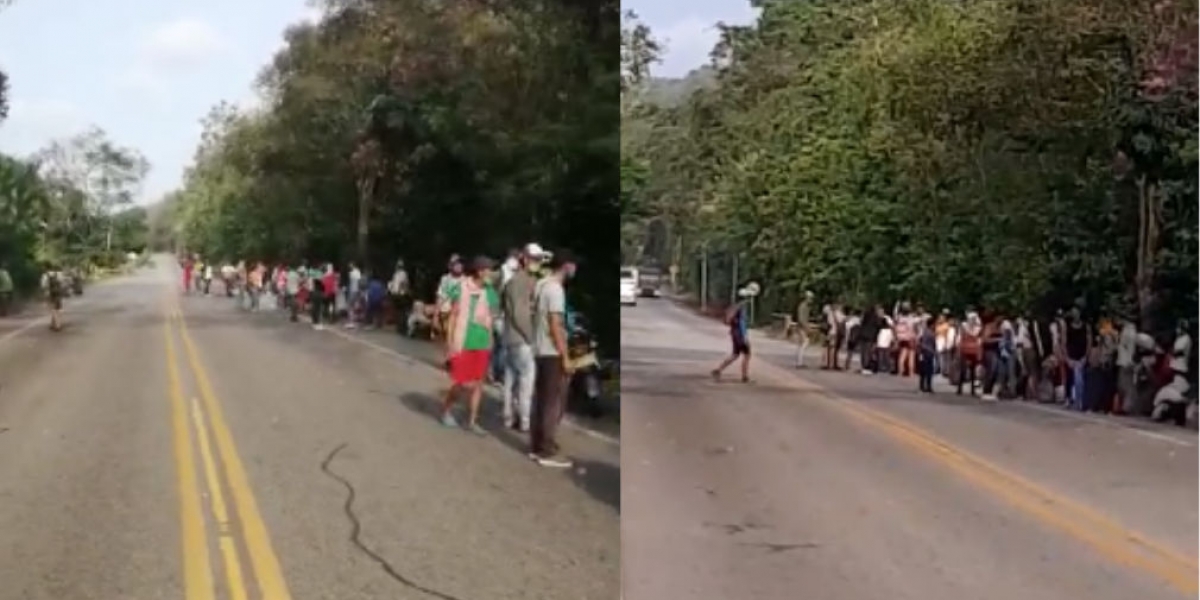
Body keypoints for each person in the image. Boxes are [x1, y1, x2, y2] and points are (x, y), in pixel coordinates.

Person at [439, 256, 500, 435]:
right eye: (489, 270)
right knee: (462, 382)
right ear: (480, 271)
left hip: (482, 343)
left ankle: (472, 421)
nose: (492, 274)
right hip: (463, 340)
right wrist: (450, 342)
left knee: (478, 384)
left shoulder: (490, 292)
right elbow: (453, 315)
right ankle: (446, 410)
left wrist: (490, 342)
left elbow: (491, 317)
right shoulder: (462, 287)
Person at [530, 251, 578, 468]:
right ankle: (547, 450)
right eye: (573, 265)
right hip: (551, 351)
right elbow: (555, 324)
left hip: (538, 347)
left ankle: (537, 444)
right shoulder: (556, 290)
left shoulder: (541, 284)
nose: (575, 270)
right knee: (553, 401)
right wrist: (565, 356)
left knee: (541, 399)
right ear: (566, 266)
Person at [501, 243, 543, 432]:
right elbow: (520, 313)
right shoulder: (521, 281)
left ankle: (508, 417)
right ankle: (524, 421)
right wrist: (531, 337)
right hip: (521, 339)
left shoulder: (518, 280)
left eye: (538, 259)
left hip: (510, 337)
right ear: (524, 259)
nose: (537, 262)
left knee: (510, 380)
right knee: (526, 382)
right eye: (534, 259)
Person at [712, 282, 758, 383]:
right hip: (740, 334)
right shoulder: (743, 307)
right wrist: (745, 336)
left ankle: (719, 370)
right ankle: (745, 376)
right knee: (747, 354)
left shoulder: (736, 305)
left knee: (735, 354)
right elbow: (742, 323)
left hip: (734, 332)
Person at [435, 255, 464, 339]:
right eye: (456, 264)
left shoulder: (466, 281)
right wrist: (436, 316)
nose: (459, 266)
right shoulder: (445, 279)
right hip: (446, 312)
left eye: (460, 263)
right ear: (450, 266)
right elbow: (440, 297)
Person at [957, 310, 983, 396]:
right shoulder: (964, 326)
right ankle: (960, 388)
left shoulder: (977, 328)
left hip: (973, 350)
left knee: (972, 371)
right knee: (963, 370)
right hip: (965, 349)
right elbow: (960, 337)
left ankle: (971, 389)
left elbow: (978, 339)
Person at [388, 259, 411, 334]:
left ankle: (401, 327)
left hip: (398, 294)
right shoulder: (401, 274)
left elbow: (401, 284)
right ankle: (401, 327)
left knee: (400, 311)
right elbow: (403, 284)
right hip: (399, 294)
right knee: (401, 311)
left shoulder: (398, 274)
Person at [41, 265, 65, 331]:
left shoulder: (45, 275)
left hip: (50, 293)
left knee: (53, 309)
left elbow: (43, 286)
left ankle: (57, 325)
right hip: (58, 293)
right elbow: (63, 283)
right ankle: (55, 323)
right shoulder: (59, 274)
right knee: (58, 308)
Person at [917, 316, 937, 393]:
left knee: (923, 371)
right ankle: (928, 386)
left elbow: (919, 342)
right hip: (928, 352)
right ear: (931, 324)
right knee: (928, 371)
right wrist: (933, 351)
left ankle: (922, 386)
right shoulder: (930, 333)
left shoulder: (924, 332)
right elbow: (931, 344)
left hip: (924, 352)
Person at [794, 291, 814, 368]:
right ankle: (799, 363)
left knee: (801, 344)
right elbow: (801, 319)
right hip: (801, 327)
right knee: (804, 343)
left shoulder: (806, 306)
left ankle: (799, 361)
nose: (811, 300)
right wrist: (807, 328)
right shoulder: (803, 306)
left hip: (802, 327)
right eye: (810, 298)